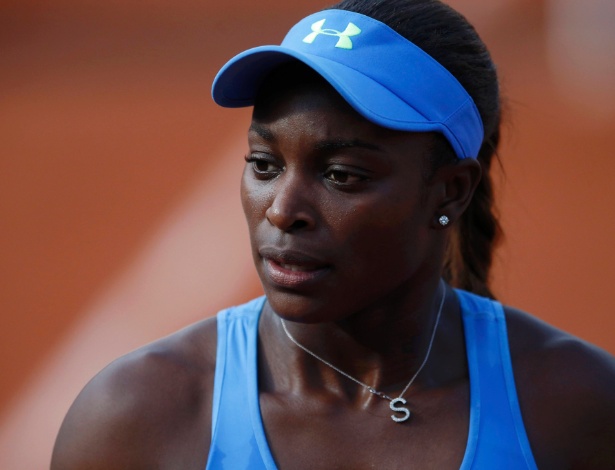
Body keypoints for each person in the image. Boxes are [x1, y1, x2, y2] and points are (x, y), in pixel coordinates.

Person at [51, 0, 615, 468]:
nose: (282, 211)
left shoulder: (579, 407)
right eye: (264, 165)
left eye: (342, 175)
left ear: (450, 192)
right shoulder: (136, 420)